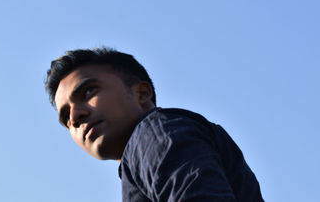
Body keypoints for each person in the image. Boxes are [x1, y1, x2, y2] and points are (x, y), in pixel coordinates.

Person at [45, 47, 264, 201]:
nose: (75, 117)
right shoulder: (139, 160)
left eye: (89, 91)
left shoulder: (153, 132)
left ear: (141, 93)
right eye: (65, 117)